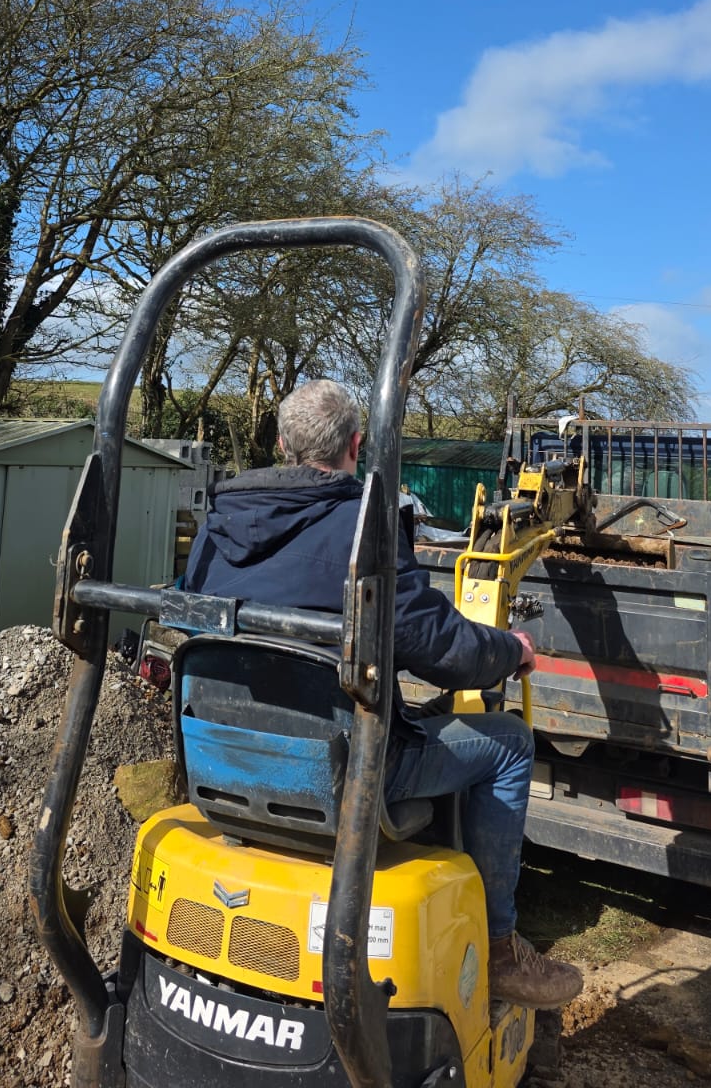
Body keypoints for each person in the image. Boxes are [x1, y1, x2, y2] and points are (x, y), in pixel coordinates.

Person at [185, 377, 584, 1010]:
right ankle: (501, 948)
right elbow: (441, 647)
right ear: (357, 443)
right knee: (508, 742)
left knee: (411, 714)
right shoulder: (362, 526)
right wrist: (512, 650)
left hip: (228, 759)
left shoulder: (218, 524)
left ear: (282, 443)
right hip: (342, 769)